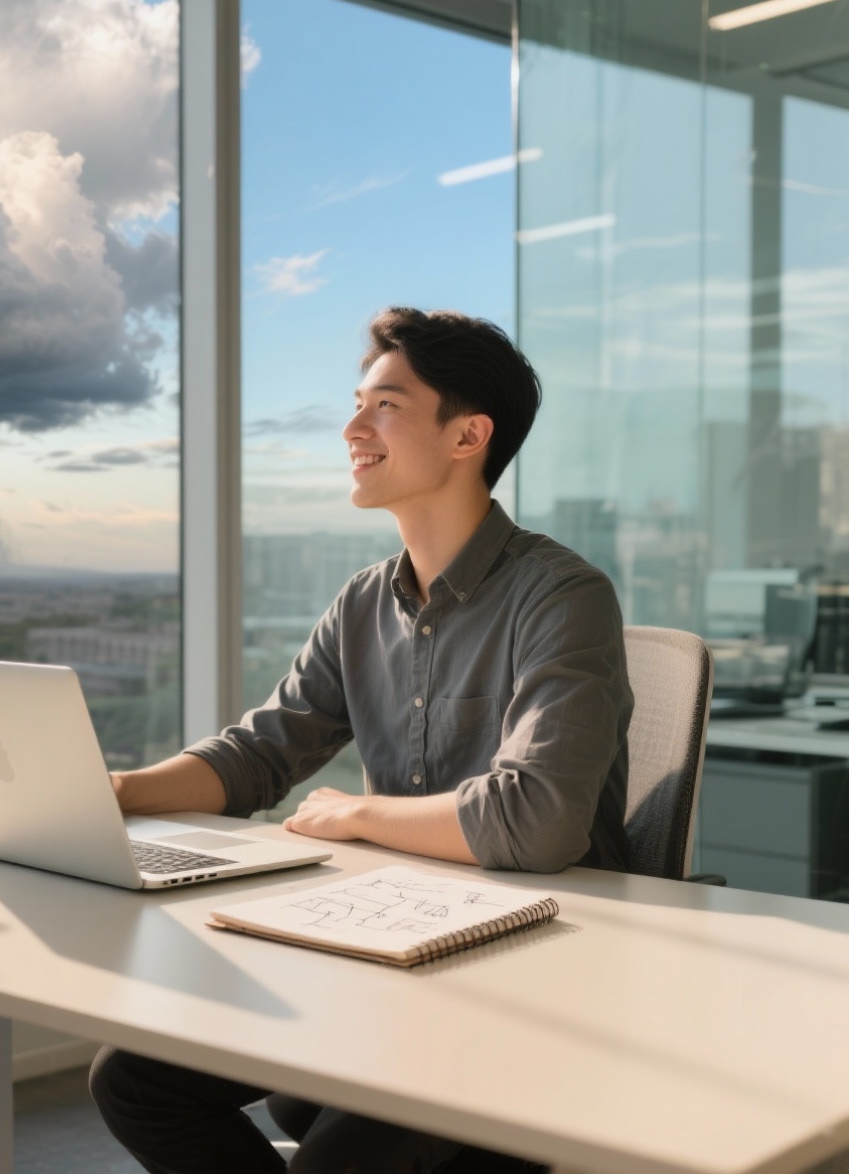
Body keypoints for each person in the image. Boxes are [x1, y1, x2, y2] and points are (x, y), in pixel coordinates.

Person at [90, 307, 633, 1174]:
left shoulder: (561, 595)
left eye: (385, 405)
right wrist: (113, 790)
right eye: (357, 404)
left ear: (469, 436)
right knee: (134, 1081)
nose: (351, 428)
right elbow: (260, 753)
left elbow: (538, 822)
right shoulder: (363, 601)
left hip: (526, 976)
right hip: (392, 941)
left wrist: (357, 816)